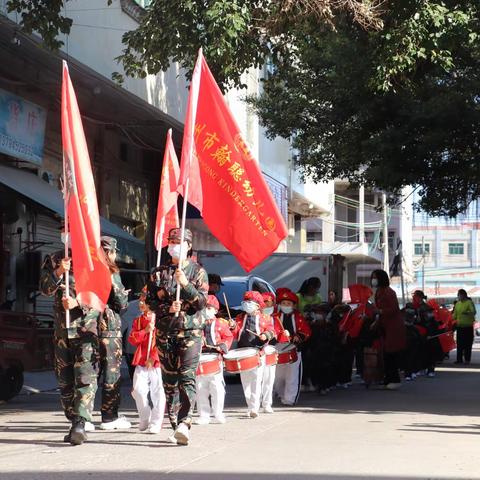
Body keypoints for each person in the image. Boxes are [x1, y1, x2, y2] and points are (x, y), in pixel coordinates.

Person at [145, 227, 208, 446]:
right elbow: (149, 302)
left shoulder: (197, 272)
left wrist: (185, 285)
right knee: (169, 380)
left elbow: (201, 302)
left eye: (179, 241)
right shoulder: (157, 273)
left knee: (187, 376)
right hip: (166, 331)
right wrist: (166, 309)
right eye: (171, 241)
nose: (174, 245)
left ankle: (185, 422)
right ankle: (175, 424)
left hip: (190, 331)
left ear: (189, 245)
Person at [39, 234, 100, 445]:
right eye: (63, 229)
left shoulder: (94, 258)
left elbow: (103, 296)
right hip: (62, 332)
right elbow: (45, 289)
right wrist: (58, 272)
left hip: (84, 331)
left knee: (84, 377)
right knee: (65, 381)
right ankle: (74, 420)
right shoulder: (55, 258)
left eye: (70, 228)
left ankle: (81, 422)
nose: (67, 234)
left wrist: (78, 304)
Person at [97, 236, 131, 431]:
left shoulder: (87, 269)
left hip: (89, 327)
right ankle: (109, 417)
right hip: (109, 329)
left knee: (90, 374)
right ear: (110, 252)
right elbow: (120, 301)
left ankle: (81, 418)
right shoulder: (110, 271)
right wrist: (124, 296)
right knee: (111, 374)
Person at [231, 291, 275, 418]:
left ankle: (254, 407)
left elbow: (272, 331)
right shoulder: (240, 317)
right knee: (245, 381)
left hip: (258, 351)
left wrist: (265, 335)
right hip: (243, 352)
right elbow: (235, 334)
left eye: (250, 302)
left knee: (257, 379)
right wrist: (233, 326)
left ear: (257, 305)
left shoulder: (265, 318)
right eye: (245, 302)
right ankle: (250, 405)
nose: (246, 304)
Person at [128, 291, 166, 434]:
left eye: (143, 300)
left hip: (156, 361)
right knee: (138, 390)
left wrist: (154, 357)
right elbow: (132, 339)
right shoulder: (138, 320)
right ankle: (145, 416)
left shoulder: (160, 320)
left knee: (158, 391)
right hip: (142, 359)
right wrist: (145, 331)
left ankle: (156, 422)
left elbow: (163, 341)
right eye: (140, 300)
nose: (140, 303)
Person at [195, 295, 233, 425]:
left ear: (215, 310)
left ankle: (218, 413)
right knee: (200, 388)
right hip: (200, 358)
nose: (206, 310)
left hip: (215, 358)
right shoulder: (196, 322)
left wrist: (223, 345)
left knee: (217, 388)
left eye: (209, 308)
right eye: (205, 307)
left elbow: (228, 337)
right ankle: (203, 415)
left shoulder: (221, 323)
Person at [273, 289, 311, 405]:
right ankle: (280, 393)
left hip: (294, 349)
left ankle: (289, 399)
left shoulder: (298, 317)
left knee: (292, 376)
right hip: (278, 349)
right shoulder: (275, 317)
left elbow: (306, 331)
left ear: (294, 306)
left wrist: (298, 336)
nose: (286, 306)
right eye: (283, 304)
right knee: (278, 377)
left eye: (288, 304)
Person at [370, 269, 406, 390]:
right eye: (372, 277)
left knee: (391, 354)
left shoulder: (389, 292)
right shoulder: (379, 292)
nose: (373, 279)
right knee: (386, 354)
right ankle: (388, 379)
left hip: (393, 327)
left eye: (375, 277)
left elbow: (393, 309)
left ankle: (394, 379)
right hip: (385, 326)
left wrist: (379, 311)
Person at [260, 292, 277, 413]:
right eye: (265, 304)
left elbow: (279, 334)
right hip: (258, 351)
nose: (267, 307)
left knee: (269, 378)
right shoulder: (256, 318)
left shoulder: (276, 318)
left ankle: (266, 403)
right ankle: (254, 404)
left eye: (270, 304)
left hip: (270, 350)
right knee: (256, 380)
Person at [453, 289, 476, 364]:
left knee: (467, 344)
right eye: (458, 295)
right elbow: (454, 315)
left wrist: (467, 312)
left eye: (459, 295)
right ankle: (459, 359)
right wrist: (449, 319)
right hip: (459, 327)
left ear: (463, 295)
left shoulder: (469, 302)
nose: (458, 297)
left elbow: (473, 312)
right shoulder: (457, 304)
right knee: (459, 344)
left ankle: (467, 360)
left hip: (468, 327)